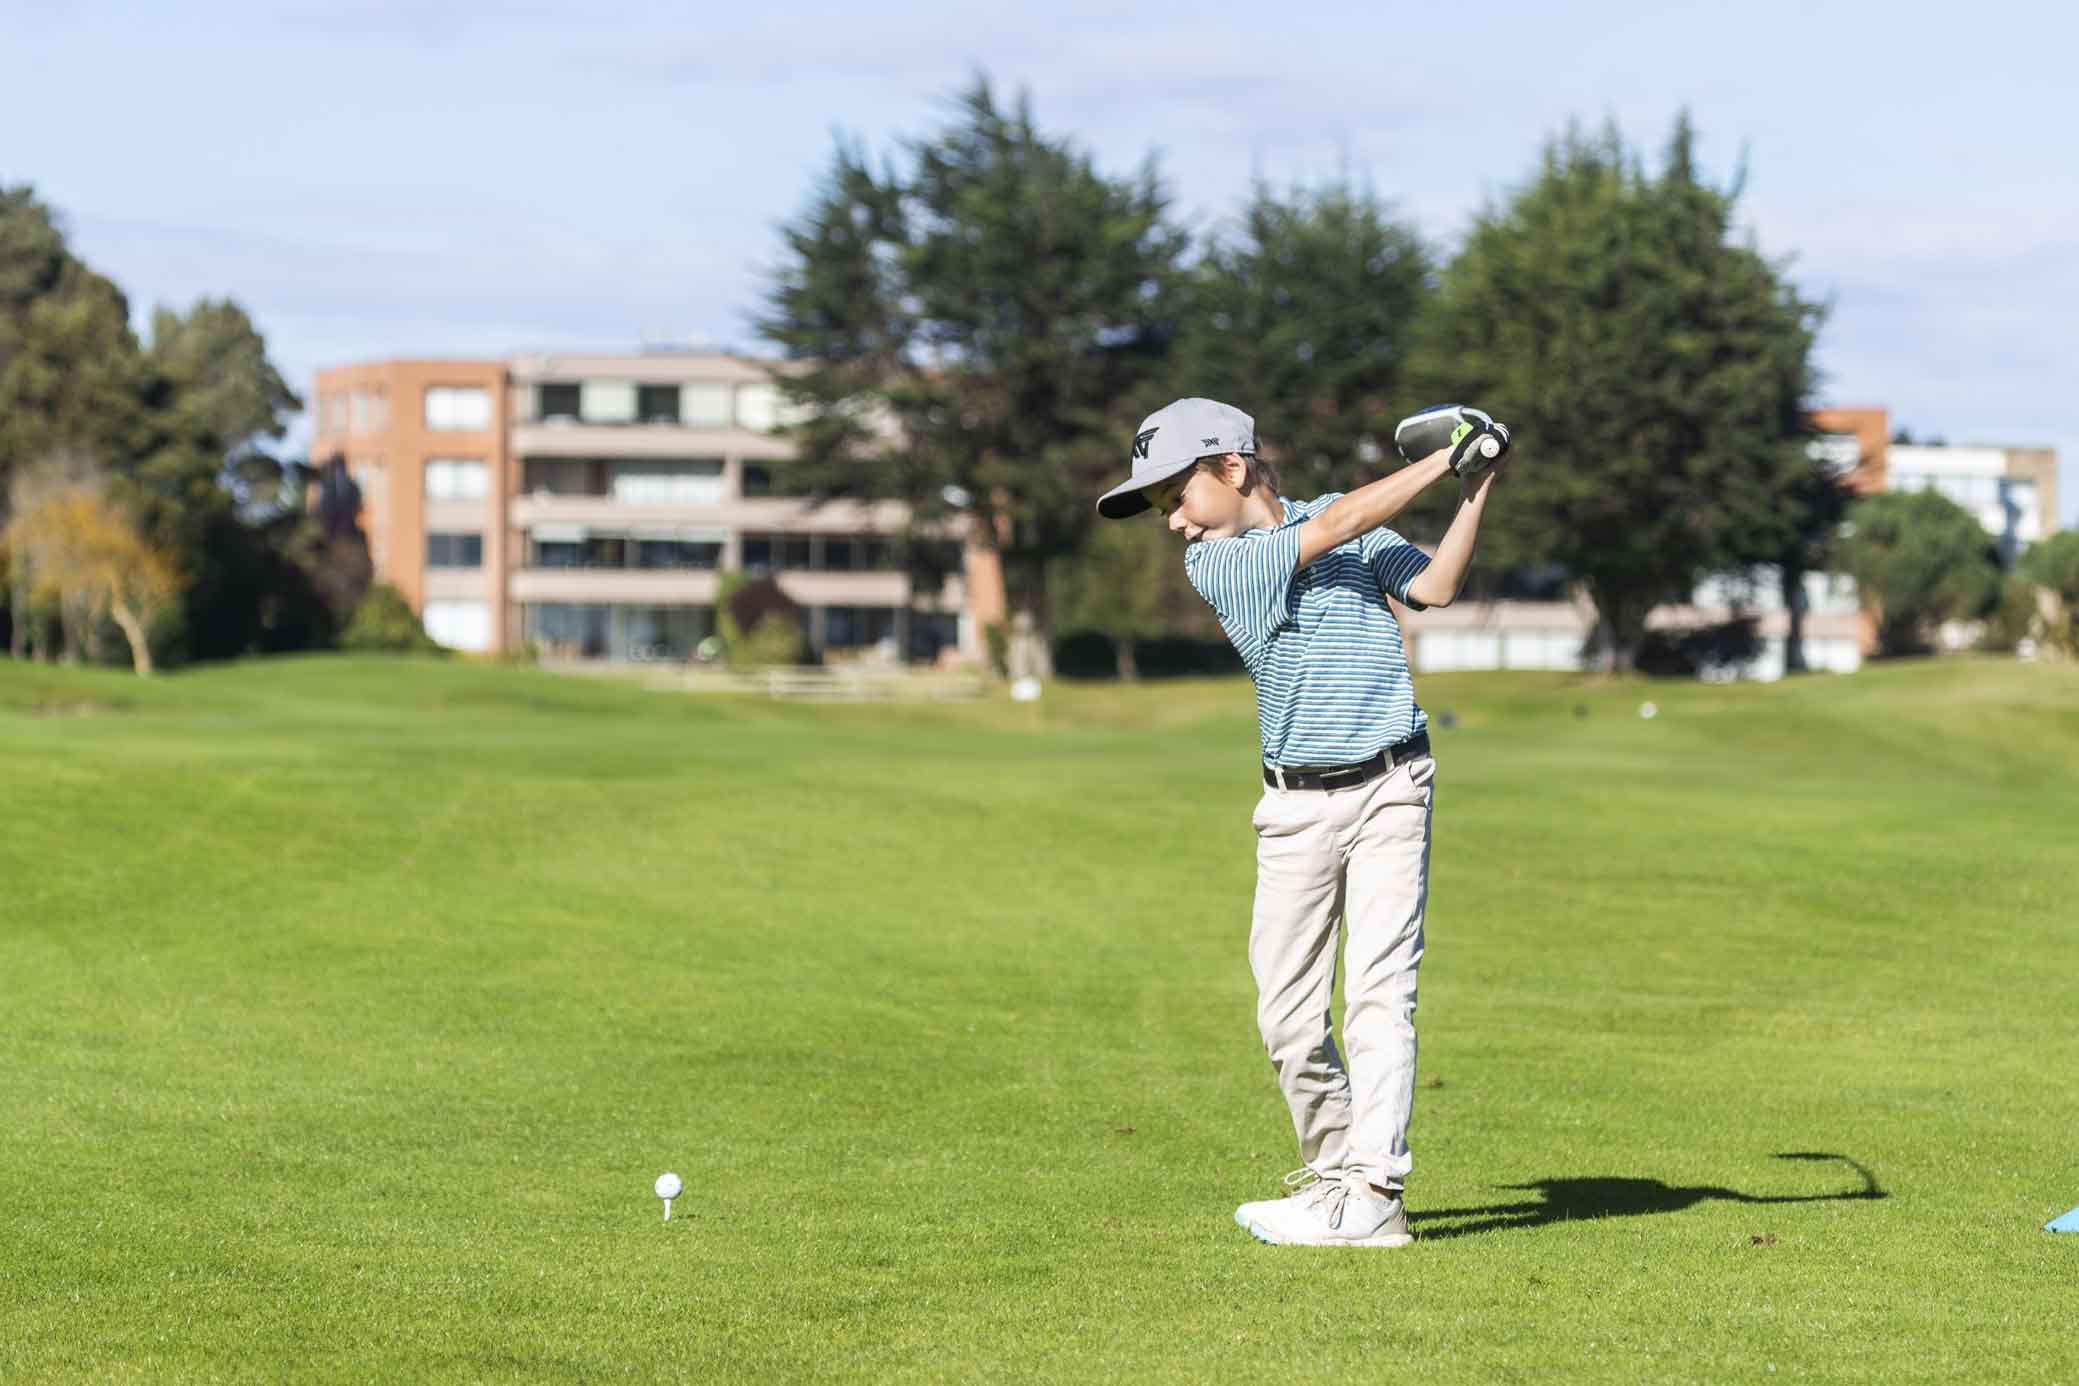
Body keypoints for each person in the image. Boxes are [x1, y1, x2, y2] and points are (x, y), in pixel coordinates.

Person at [1094, 396, 1510, 1247]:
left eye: (1176, 496)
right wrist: (1449, 458)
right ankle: (1333, 1179)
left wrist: (1479, 484)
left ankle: (1373, 1190)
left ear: (1231, 467)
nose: (1173, 521)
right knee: (1286, 1016)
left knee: (1380, 996)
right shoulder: (1218, 564)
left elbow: (1432, 586)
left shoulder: (1339, 522)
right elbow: (1338, 524)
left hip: (1394, 784)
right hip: (1293, 809)